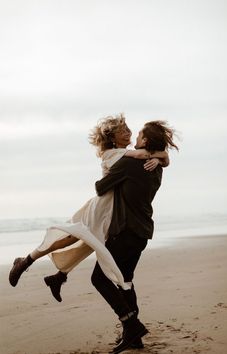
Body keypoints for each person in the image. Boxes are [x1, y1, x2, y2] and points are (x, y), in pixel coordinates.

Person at [9, 115, 169, 303]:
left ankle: (57, 277)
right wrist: (161, 156)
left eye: (129, 129)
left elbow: (147, 156)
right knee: (71, 236)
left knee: (86, 242)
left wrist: (161, 158)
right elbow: (142, 155)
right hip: (101, 206)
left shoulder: (125, 153)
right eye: (123, 131)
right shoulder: (114, 154)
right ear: (112, 138)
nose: (129, 133)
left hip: (110, 209)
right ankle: (27, 261)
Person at [91, 120, 178, 353]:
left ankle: (131, 324)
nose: (136, 137)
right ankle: (133, 337)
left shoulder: (129, 164)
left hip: (125, 231)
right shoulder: (156, 166)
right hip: (142, 232)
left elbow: (100, 187)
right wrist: (160, 157)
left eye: (139, 134)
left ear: (146, 141)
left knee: (99, 279)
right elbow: (163, 160)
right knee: (125, 281)